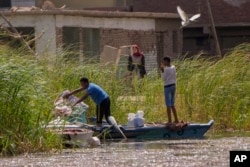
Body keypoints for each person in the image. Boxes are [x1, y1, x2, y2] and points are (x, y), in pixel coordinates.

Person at [161, 57, 179, 124]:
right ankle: (176, 119)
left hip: (167, 87)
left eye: (164, 62)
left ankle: (169, 121)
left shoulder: (165, 69)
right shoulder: (173, 67)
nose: (163, 63)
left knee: (168, 105)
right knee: (172, 104)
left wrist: (162, 71)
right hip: (173, 85)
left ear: (167, 61)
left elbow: (163, 78)